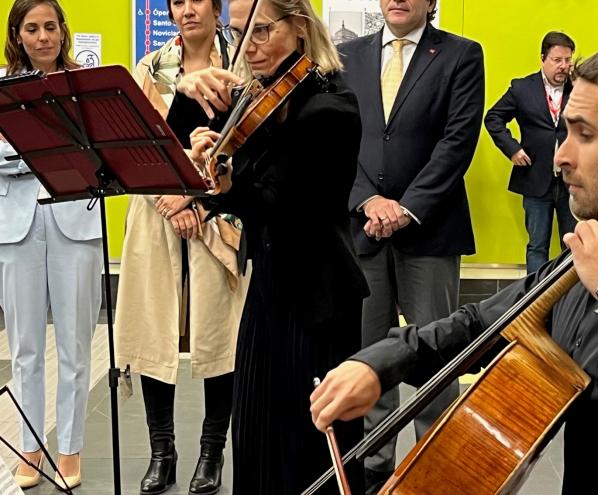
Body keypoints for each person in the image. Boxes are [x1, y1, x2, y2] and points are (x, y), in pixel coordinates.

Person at [311, 38, 598, 494]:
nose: (561, 156)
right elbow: (479, 324)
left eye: (585, 134)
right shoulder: (577, 270)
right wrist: (377, 363)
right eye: (566, 131)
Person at [179, 0, 369, 492]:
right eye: (240, 32)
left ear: (300, 26)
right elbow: (184, 136)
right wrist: (189, 97)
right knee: (259, 432)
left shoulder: (329, 106)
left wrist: (226, 186)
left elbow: (289, 209)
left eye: (261, 31)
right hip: (269, 288)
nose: (251, 47)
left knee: (307, 444)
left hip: (318, 298)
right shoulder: (258, 96)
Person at [336, 0, 485, 489]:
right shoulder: (347, 56)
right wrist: (368, 201)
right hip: (363, 230)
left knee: (435, 356)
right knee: (370, 355)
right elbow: (339, 139)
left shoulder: (462, 55)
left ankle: (432, 466)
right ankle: (373, 468)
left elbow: (457, 142)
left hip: (429, 229)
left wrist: (404, 208)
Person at [114, 1, 246, 494]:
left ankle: (212, 452)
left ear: (218, 8)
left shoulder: (240, 67)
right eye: (177, 1)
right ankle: (161, 451)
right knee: (155, 330)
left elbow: (245, 147)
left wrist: (196, 199)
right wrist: (171, 202)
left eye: (197, 0)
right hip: (155, 212)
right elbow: (134, 147)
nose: (186, 9)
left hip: (220, 212)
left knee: (220, 334)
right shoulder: (150, 68)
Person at [0, 0, 102, 489]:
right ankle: (30, 446)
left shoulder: (89, 86)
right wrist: (36, 153)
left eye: (50, 27)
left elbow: (97, 152)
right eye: (32, 29)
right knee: (23, 349)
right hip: (16, 227)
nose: (43, 37)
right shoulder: (2, 86)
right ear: (17, 35)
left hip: (76, 224)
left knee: (76, 346)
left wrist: (23, 150)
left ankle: (70, 448)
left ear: (63, 31)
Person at [484, 31, 577, 274]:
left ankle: (574, 301)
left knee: (576, 244)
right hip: (535, 179)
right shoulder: (522, 88)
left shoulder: (581, 88)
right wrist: (512, 149)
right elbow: (493, 118)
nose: (564, 67)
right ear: (543, 59)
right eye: (557, 60)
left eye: (568, 60)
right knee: (537, 245)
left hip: (573, 181)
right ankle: (536, 299)